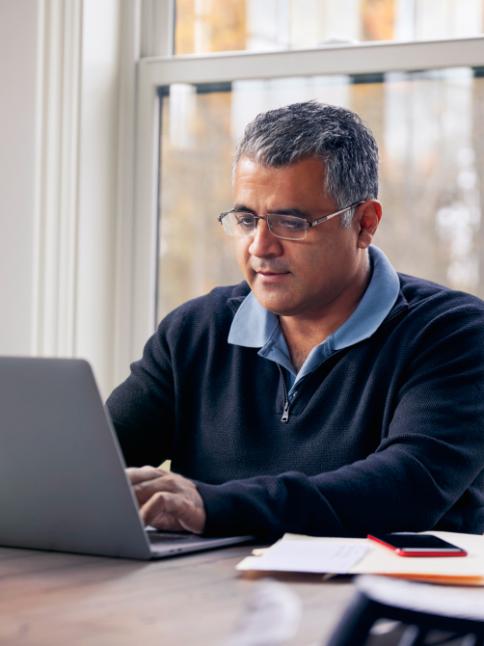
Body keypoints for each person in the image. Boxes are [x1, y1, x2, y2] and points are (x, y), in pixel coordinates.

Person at [107, 101, 484, 539]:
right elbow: (94, 461)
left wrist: (211, 504)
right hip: (207, 594)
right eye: (247, 219)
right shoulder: (193, 332)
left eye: (290, 222)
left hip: (378, 601)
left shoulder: (455, 334)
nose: (260, 246)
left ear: (364, 223)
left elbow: (405, 489)